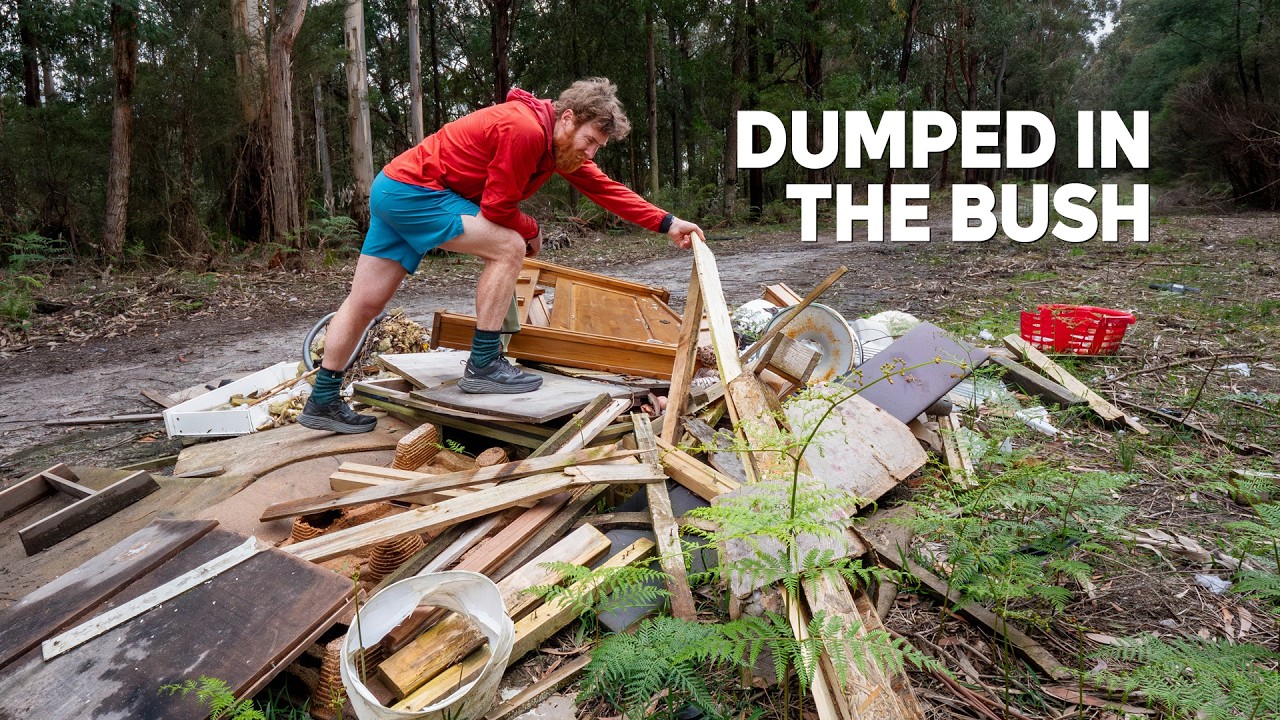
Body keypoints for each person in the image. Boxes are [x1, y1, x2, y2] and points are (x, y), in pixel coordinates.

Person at [298, 77, 705, 434]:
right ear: (568, 119)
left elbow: (606, 189)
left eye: (598, 146)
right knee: (508, 246)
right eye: (590, 141)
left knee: (365, 301)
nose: (591, 153)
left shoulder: (558, 147)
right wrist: (532, 230)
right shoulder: (524, 130)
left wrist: (668, 223)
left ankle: (323, 399)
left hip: (394, 189)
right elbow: (497, 210)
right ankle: (483, 365)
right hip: (417, 193)